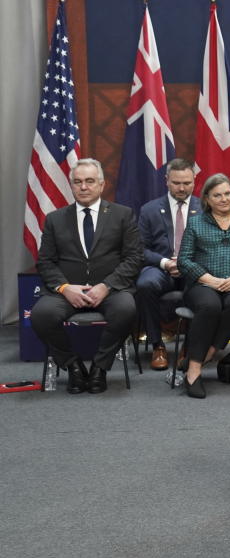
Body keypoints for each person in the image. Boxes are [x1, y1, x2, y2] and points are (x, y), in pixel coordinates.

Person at [32, 158, 143, 394]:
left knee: (126, 309)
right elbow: (45, 261)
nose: (84, 187)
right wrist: (64, 288)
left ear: (101, 185)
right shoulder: (55, 219)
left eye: (90, 181)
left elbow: (134, 258)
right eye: (78, 182)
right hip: (66, 291)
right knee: (41, 315)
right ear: (71, 185)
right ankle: (73, 366)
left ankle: (99, 368)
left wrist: (106, 286)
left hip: (110, 290)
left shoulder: (122, 215)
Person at [177, 174, 230, 399]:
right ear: (207, 198)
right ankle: (194, 370)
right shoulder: (196, 223)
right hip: (203, 284)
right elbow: (184, 260)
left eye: (227, 193)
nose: (224, 199)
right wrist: (209, 279)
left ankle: (208, 352)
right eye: (217, 195)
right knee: (210, 306)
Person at [135, 158, 201, 370]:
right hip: (161, 269)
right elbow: (139, 250)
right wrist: (165, 263)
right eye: (176, 183)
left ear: (194, 181)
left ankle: (189, 347)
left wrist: (186, 264)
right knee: (145, 284)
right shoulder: (149, 210)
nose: (182, 188)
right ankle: (157, 345)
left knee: (205, 288)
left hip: (193, 269)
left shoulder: (205, 208)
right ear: (166, 181)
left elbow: (212, 247)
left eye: (187, 183)